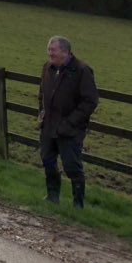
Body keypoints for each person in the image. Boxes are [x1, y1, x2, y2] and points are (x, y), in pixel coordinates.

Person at [37, 36, 99, 208]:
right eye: (49, 49)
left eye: (53, 50)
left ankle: (77, 203)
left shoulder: (81, 70)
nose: (50, 53)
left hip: (70, 129)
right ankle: (52, 195)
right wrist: (42, 114)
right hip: (49, 125)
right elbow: (42, 93)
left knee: (72, 165)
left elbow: (90, 101)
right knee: (48, 160)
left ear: (65, 52)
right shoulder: (47, 68)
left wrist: (71, 122)